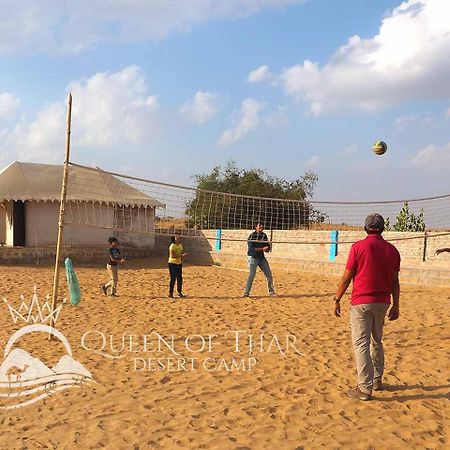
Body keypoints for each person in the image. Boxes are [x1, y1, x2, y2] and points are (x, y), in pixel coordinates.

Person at [334, 213, 400, 401]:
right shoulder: (392, 250)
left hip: (361, 302)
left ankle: (364, 388)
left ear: (365, 228)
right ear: (382, 228)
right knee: (377, 341)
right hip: (383, 302)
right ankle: (377, 380)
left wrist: (336, 299)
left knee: (361, 344)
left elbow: (347, 277)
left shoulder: (358, 247)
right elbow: (395, 282)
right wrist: (396, 305)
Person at [243, 223, 275, 297]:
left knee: (269, 275)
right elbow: (251, 249)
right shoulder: (252, 236)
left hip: (262, 258)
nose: (261, 227)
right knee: (251, 275)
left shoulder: (264, 235)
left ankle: (271, 292)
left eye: (262, 226)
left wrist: (268, 248)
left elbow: (267, 247)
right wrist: (262, 249)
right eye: (259, 226)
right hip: (253, 258)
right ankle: (246, 293)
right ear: (256, 227)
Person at [168, 234, 187, 298]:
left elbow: (181, 254)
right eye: (176, 237)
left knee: (180, 279)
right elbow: (172, 256)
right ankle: (170, 293)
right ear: (174, 238)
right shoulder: (172, 246)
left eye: (179, 236)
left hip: (179, 263)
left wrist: (182, 258)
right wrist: (181, 256)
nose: (178, 237)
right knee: (173, 279)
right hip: (172, 264)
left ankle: (179, 292)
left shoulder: (180, 245)